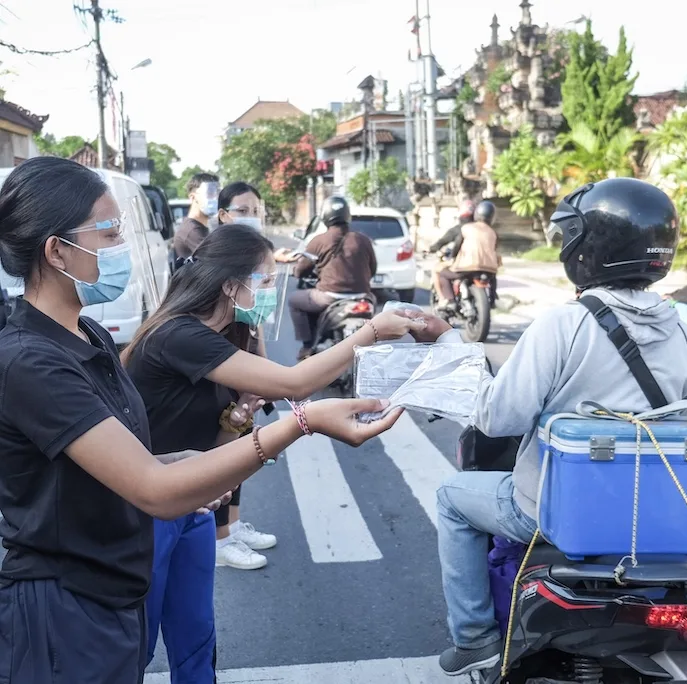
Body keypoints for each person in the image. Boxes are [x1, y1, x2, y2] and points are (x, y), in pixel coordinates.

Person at [0, 156, 413, 684]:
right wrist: (301, 423)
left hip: (112, 586)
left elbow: (124, 458)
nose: (123, 248)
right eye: (109, 235)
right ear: (57, 250)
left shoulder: (91, 337)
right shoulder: (32, 360)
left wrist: (185, 458)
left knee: (192, 640)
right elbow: (154, 490)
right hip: (63, 605)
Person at [418, 178, 687, 677]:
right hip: (659, 519)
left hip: (557, 513)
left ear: (587, 248)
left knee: (451, 497)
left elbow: (496, 417)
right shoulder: (682, 327)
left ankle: (475, 637)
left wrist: (452, 347)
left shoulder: (564, 324)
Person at [121, 224, 424, 683]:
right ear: (229, 284)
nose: (269, 291)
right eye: (263, 280)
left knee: (195, 633)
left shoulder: (227, 337)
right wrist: (372, 330)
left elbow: (220, 443)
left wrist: (236, 422)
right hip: (149, 508)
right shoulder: (179, 336)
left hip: (194, 504)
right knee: (137, 644)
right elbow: (295, 385)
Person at [211, 181, 277, 570]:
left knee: (239, 447)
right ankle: (220, 540)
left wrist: (265, 371)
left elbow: (256, 325)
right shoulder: (216, 260)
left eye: (256, 210)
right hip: (222, 369)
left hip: (243, 371)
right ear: (222, 215)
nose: (251, 218)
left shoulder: (253, 257)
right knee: (223, 452)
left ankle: (232, 529)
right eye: (242, 210)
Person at [289, 195, 377, 359]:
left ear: (325, 217)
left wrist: (296, 271)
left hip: (329, 297)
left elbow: (301, 270)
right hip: (362, 297)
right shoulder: (363, 240)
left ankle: (307, 346)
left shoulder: (319, 241)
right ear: (347, 215)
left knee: (294, 300)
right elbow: (373, 269)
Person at [436, 200, 500, 311]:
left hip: (466, 267)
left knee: (441, 274)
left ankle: (450, 300)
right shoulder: (493, 233)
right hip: (490, 269)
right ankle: (493, 299)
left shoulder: (466, 228)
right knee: (493, 277)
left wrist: (452, 256)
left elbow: (457, 246)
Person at [427, 200, 475, 302]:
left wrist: (431, 249)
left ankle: (445, 299)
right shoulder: (480, 229)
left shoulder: (460, 229)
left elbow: (443, 242)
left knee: (437, 270)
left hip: (463, 265)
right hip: (482, 265)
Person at [173, 172, 220, 260]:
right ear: (193, 197)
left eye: (217, 193)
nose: (215, 198)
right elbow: (217, 260)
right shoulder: (192, 230)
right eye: (210, 193)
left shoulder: (200, 227)